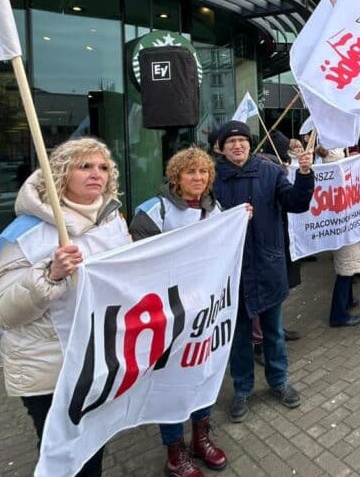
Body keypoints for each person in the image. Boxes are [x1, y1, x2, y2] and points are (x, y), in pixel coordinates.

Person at [0, 138, 131, 477]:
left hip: (97, 359)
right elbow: (3, 312)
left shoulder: (112, 221)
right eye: (85, 166)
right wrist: (50, 275)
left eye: (103, 167)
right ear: (63, 174)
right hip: (50, 368)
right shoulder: (27, 232)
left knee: (92, 446)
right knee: (64, 455)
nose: (97, 173)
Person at [130, 147, 231, 477]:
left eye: (203, 172)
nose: (198, 178)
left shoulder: (215, 208)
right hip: (169, 312)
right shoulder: (154, 211)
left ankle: (201, 438)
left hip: (206, 311)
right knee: (172, 380)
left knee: (202, 369)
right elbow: (141, 260)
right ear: (176, 176)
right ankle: (175, 452)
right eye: (191, 172)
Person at [211, 120, 314, 423]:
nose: (237, 146)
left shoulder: (270, 171)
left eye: (242, 140)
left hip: (268, 266)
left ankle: (279, 381)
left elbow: (296, 203)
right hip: (233, 274)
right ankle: (242, 388)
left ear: (249, 144)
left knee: (274, 333)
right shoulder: (213, 178)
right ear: (221, 148)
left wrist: (305, 175)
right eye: (231, 142)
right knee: (240, 336)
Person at [319, 146, 360, 328]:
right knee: (345, 269)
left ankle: (347, 301)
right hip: (343, 228)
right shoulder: (333, 174)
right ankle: (338, 315)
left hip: (346, 227)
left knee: (348, 266)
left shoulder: (334, 173)